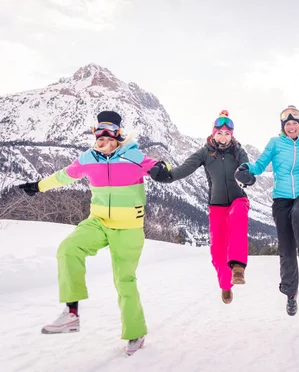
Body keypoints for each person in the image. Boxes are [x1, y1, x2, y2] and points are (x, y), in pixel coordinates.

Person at [17, 110, 157, 355]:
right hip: (99, 221)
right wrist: (39, 186)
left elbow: (160, 169)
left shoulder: (134, 156)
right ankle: (71, 313)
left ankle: (135, 332)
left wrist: (164, 170)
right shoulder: (88, 158)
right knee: (68, 248)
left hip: (128, 228)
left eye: (109, 138)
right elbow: (63, 176)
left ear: (118, 138)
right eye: (99, 139)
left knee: (124, 281)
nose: (103, 143)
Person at [234, 105, 299, 316]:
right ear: (283, 127)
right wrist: (246, 169)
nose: (292, 127)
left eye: (295, 123)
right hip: (281, 198)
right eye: (288, 123)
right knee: (286, 246)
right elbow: (260, 165)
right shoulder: (275, 143)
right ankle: (291, 293)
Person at [148, 110, 253, 305]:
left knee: (239, 216)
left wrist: (248, 176)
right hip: (216, 206)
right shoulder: (204, 152)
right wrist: (168, 176)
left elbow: (247, 167)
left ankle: (238, 266)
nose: (223, 137)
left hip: (238, 199)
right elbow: (185, 168)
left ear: (232, 135)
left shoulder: (238, 151)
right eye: (219, 133)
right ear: (213, 133)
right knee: (217, 254)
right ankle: (225, 284)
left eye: (227, 134)